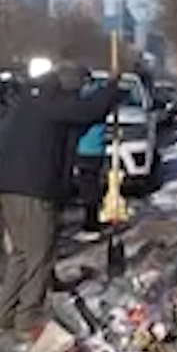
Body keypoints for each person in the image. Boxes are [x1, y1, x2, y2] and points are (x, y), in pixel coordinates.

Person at [0, 64, 123, 334]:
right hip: (33, 189)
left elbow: (81, 119)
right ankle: (27, 319)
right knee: (40, 255)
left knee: (22, 254)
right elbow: (88, 111)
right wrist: (111, 89)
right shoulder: (52, 101)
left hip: (9, 187)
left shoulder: (32, 101)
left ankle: (3, 315)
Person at [71, 81, 109, 241]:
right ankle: (92, 222)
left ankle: (91, 226)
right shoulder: (100, 104)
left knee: (88, 189)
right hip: (95, 150)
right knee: (91, 187)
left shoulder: (87, 106)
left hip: (86, 150)